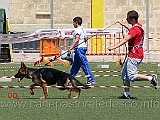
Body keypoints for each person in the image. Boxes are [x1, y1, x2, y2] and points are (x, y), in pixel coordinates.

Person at [107, 10, 158, 99]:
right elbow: (132, 31)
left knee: (131, 76)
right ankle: (127, 94)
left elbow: (126, 39)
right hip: (135, 53)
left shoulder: (135, 29)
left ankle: (151, 78)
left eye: (128, 19)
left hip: (135, 55)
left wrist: (114, 47)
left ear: (133, 19)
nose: (127, 20)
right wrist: (124, 25)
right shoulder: (138, 26)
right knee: (125, 75)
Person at [68, 17, 96, 85]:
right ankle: (69, 78)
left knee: (84, 64)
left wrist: (71, 47)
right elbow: (86, 38)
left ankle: (91, 79)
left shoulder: (77, 29)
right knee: (76, 65)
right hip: (80, 48)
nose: (73, 24)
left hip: (80, 49)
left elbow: (77, 38)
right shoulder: (83, 29)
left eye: (73, 23)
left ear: (76, 22)